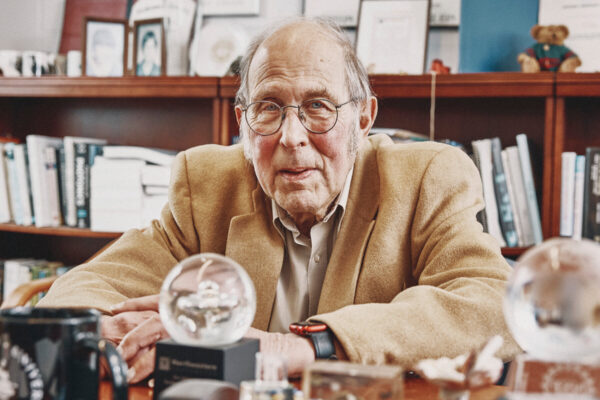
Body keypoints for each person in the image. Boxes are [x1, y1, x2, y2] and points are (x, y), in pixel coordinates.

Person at [39, 18, 519, 383]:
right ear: (244, 123)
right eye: (269, 108)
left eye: (318, 107)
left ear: (363, 118)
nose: (292, 137)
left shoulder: (427, 178)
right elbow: (77, 295)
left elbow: (496, 307)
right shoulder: (207, 184)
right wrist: (138, 333)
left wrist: (306, 347)